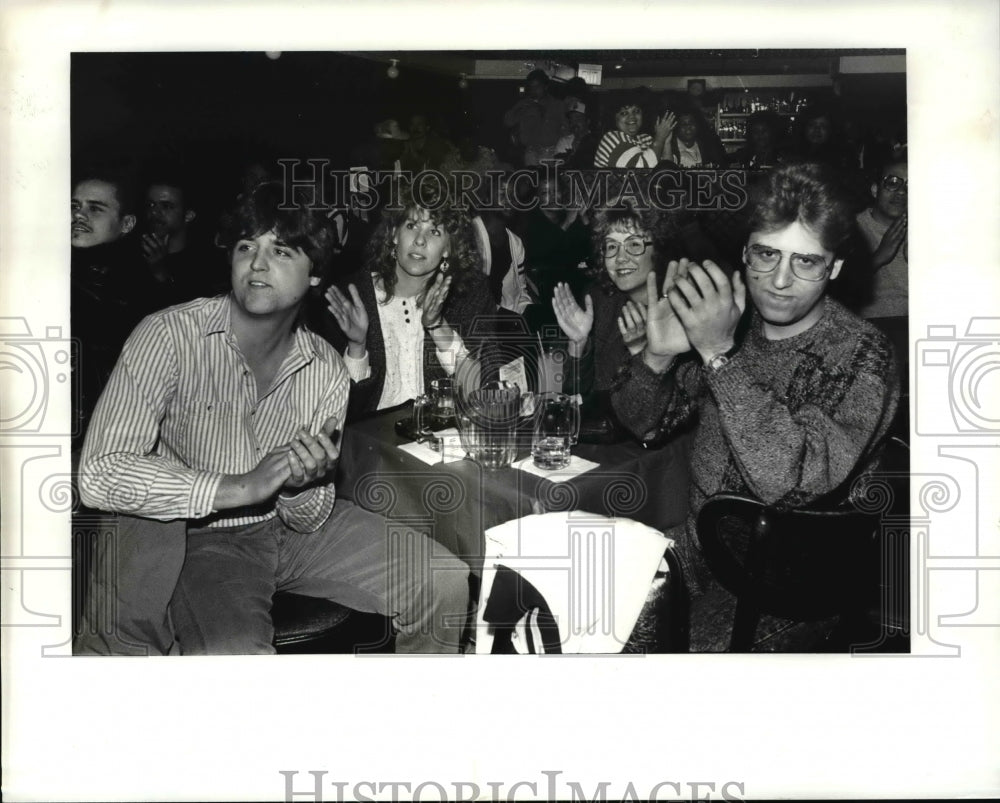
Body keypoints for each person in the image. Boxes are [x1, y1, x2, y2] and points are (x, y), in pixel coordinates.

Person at [76, 180, 470, 655]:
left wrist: (301, 484)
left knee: (444, 579)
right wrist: (239, 486)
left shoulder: (324, 366)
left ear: (315, 276)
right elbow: (98, 473)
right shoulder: (169, 335)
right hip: (204, 538)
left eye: (281, 251)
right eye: (247, 246)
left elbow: (310, 518)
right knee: (237, 654)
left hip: (290, 533)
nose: (257, 263)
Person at [610, 163, 899, 595]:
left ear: (834, 268)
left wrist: (718, 357)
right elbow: (645, 424)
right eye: (767, 255)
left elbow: (791, 483)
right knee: (565, 591)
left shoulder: (861, 353)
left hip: (786, 583)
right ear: (745, 253)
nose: (780, 281)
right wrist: (657, 356)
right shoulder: (734, 324)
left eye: (805, 261)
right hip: (699, 550)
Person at [319, 182, 496, 421]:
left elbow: (483, 391)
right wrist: (357, 345)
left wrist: (437, 326)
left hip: (441, 437)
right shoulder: (352, 297)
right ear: (394, 234)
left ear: (448, 248)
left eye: (435, 232)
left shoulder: (468, 296)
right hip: (371, 439)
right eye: (411, 226)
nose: (420, 241)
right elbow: (335, 409)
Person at [551, 200, 682, 399]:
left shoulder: (679, 309)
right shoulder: (600, 300)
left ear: (657, 248)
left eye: (634, 244)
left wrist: (644, 356)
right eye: (611, 246)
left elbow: (671, 416)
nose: (620, 257)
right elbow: (574, 395)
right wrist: (578, 344)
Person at [71, 170, 144, 444]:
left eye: (96, 209)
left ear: (126, 223)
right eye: (74, 206)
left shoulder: (134, 286)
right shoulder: (62, 268)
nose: (79, 216)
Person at [140, 169, 226, 308]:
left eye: (166, 206)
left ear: (188, 215)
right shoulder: (131, 251)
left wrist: (160, 273)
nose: (154, 212)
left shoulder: (205, 262)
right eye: (150, 204)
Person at [854, 156, 907, 321]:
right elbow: (837, 290)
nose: (901, 191)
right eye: (892, 182)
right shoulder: (853, 228)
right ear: (875, 190)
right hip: (876, 325)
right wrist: (878, 257)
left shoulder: (927, 228)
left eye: (910, 186)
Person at [594, 91, 676, 169]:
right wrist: (660, 138)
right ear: (614, 118)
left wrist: (666, 142)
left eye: (636, 111)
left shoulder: (646, 139)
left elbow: (668, 171)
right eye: (624, 113)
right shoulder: (611, 139)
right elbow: (641, 170)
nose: (632, 117)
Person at [502, 69, 566, 166]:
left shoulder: (558, 105)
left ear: (546, 86)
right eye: (531, 87)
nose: (534, 90)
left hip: (551, 152)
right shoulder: (523, 104)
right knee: (532, 179)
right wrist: (521, 110)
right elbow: (508, 121)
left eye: (537, 86)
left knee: (548, 180)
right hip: (531, 152)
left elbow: (566, 128)